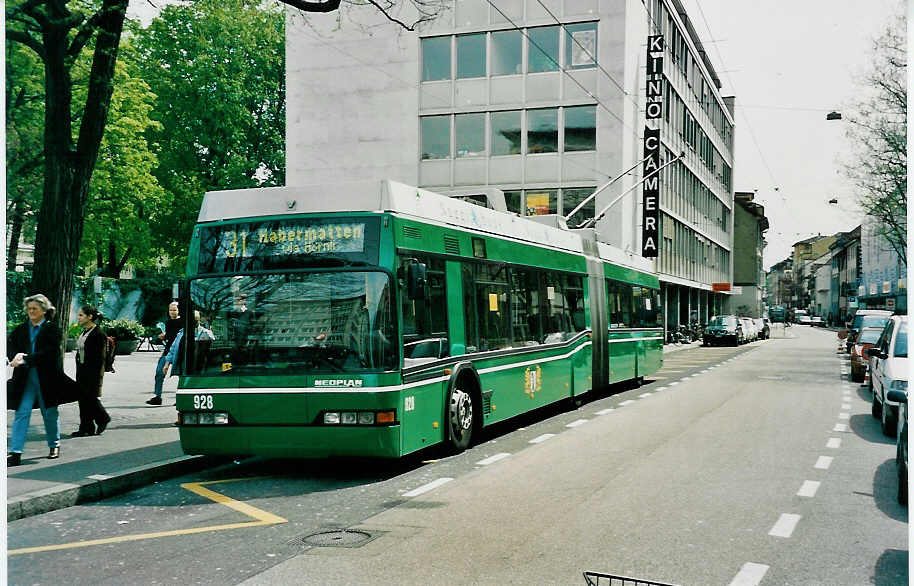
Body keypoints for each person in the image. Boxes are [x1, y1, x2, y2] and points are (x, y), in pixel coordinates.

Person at [7, 294, 78, 466]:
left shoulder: (52, 329)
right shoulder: (22, 329)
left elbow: (50, 353)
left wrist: (26, 359)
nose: (31, 311)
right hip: (25, 379)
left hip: (46, 379)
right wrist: (14, 357)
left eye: (35, 309)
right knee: (22, 413)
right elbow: (10, 345)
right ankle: (15, 452)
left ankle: (54, 445)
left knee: (50, 413)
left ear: (44, 311)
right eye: (29, 309)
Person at [71, 305, 112, 437]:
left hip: (92, 372)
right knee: (83, 399)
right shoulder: (84, 331)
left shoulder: (98, 334)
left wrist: (94, 373)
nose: (79, 317)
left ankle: (103, 418)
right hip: (81, 369)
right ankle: (86, 427)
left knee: (90, 398)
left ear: (90, 317)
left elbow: (100, 357)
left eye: (81, 315)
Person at [160, 311, 214, 381]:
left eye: (195, 320)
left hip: (201, 367)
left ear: (199, 321)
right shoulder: (181, 333)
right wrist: (166, 364)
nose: (193, 323)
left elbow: (214, 348)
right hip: (185, 367)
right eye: (191, 321)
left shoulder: (206, 333)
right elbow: (173, 349)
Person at [148, 301, 181, 406]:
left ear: (179, 310)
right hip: (168, 350)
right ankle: (157, 396)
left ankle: (180, 397)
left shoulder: (182, 322)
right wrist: (163, 336)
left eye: (174, 310)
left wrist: (166, 335)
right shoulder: (168, 322)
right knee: (159, 372)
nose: (172, 312)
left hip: (178, 351)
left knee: (181, 374)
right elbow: (170, 336)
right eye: (170, 310)